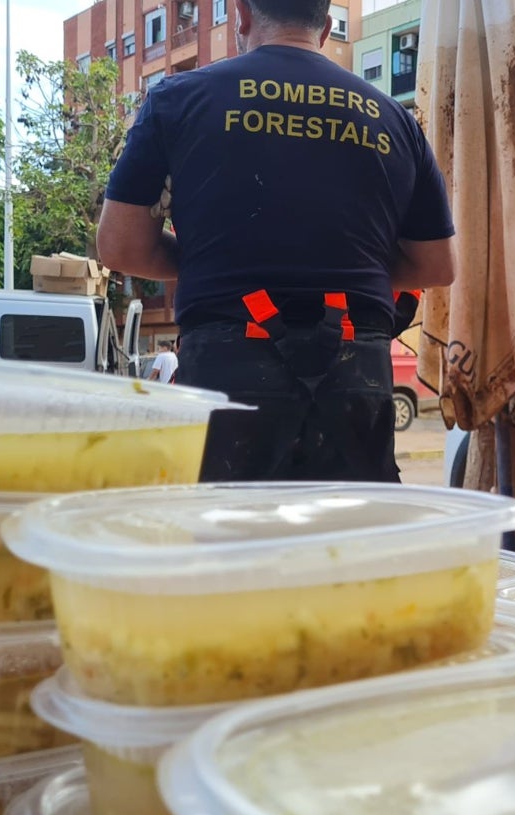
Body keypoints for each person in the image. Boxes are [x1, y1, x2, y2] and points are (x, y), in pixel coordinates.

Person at [96, 0, 454, 483]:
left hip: (230, 367)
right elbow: (436, 265)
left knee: (230, 544)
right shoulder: (395, 120)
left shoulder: (178, 100)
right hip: (355, 370)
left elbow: (120, 246)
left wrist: (214, 258)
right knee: (350, 543)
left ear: (242, 15)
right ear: (326, 27)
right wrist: (346, 260)